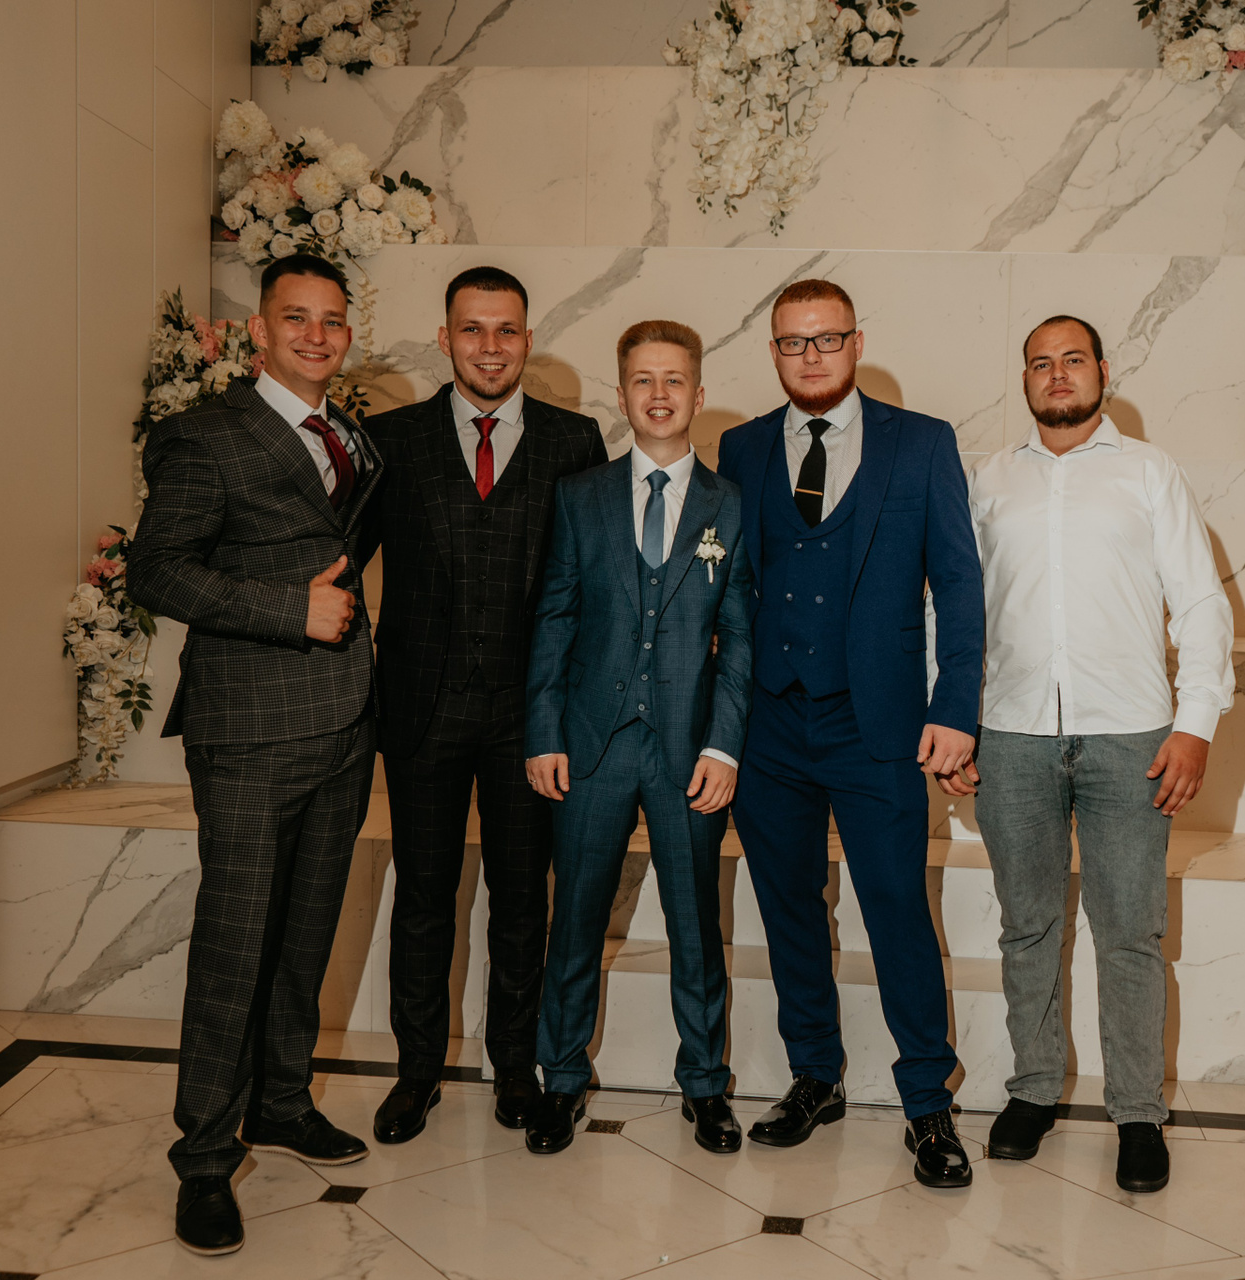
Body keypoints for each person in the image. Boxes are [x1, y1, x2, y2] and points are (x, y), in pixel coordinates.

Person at [128, 254, 383, 1256]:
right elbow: (157, 570)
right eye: (297, 318)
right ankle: (203, 1154)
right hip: (248, 729)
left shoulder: (348, 433)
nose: (317, 335)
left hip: (344, 721)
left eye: (332, 319)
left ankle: (280, 1101)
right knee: (236, 940)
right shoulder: (205, 436)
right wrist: (289, 610)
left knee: (306, 930)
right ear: (259, 332)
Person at [715, 279, 984, 1190]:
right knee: (789, 905)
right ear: (774, 352)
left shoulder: (923, 443)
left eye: (826, 339)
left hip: (880, 721)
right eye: (793, 342)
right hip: (771, 721)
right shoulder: (743, 447)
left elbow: (960, 585)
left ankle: (927, 1101)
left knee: (897, 907)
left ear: (857, 342)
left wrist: (955, 708)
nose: (811, 356)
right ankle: (815, 1075)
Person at [962, 314, 1234, 1193]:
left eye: (1072, 359)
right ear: (1026, 380)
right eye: (1040, 362)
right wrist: (953, 718)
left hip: (1131, 737)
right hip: (1011, 733)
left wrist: (1195, 724)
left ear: (1103, 372)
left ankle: (1138, 1113)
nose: (1057, 374)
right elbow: (952, 608)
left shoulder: (1150, 472)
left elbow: (1200, 604)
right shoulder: (989, 479)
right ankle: (1034, 1090)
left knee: (1129, 932)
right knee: (1027, 926)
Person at [361, 267, 607, 1145]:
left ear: (528, 340)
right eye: (473, 330)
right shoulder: (390, 439)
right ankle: (417, 1072)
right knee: (423, 896)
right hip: (420, 711)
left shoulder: (575, 441)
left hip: (529, 720)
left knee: (521, 900)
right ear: (446, 339)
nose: (490, 347)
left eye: (506, 331)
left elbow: (595, 586)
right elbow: (337, 564)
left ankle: (514, 1068)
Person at [521, 320, 754, 1156]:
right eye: (643, 381)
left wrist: (723, 747)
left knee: (696, 924)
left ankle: (706, 1084)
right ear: (621, 397)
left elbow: (742, 637)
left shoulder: (731, 505)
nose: (660, 395)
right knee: (575, 921)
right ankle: (560, 1081)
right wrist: (543, 731)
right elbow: (554, 617)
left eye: (674, 380)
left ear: (698, 393)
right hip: (592, 744)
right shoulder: (579, 496)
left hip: (689, 749)